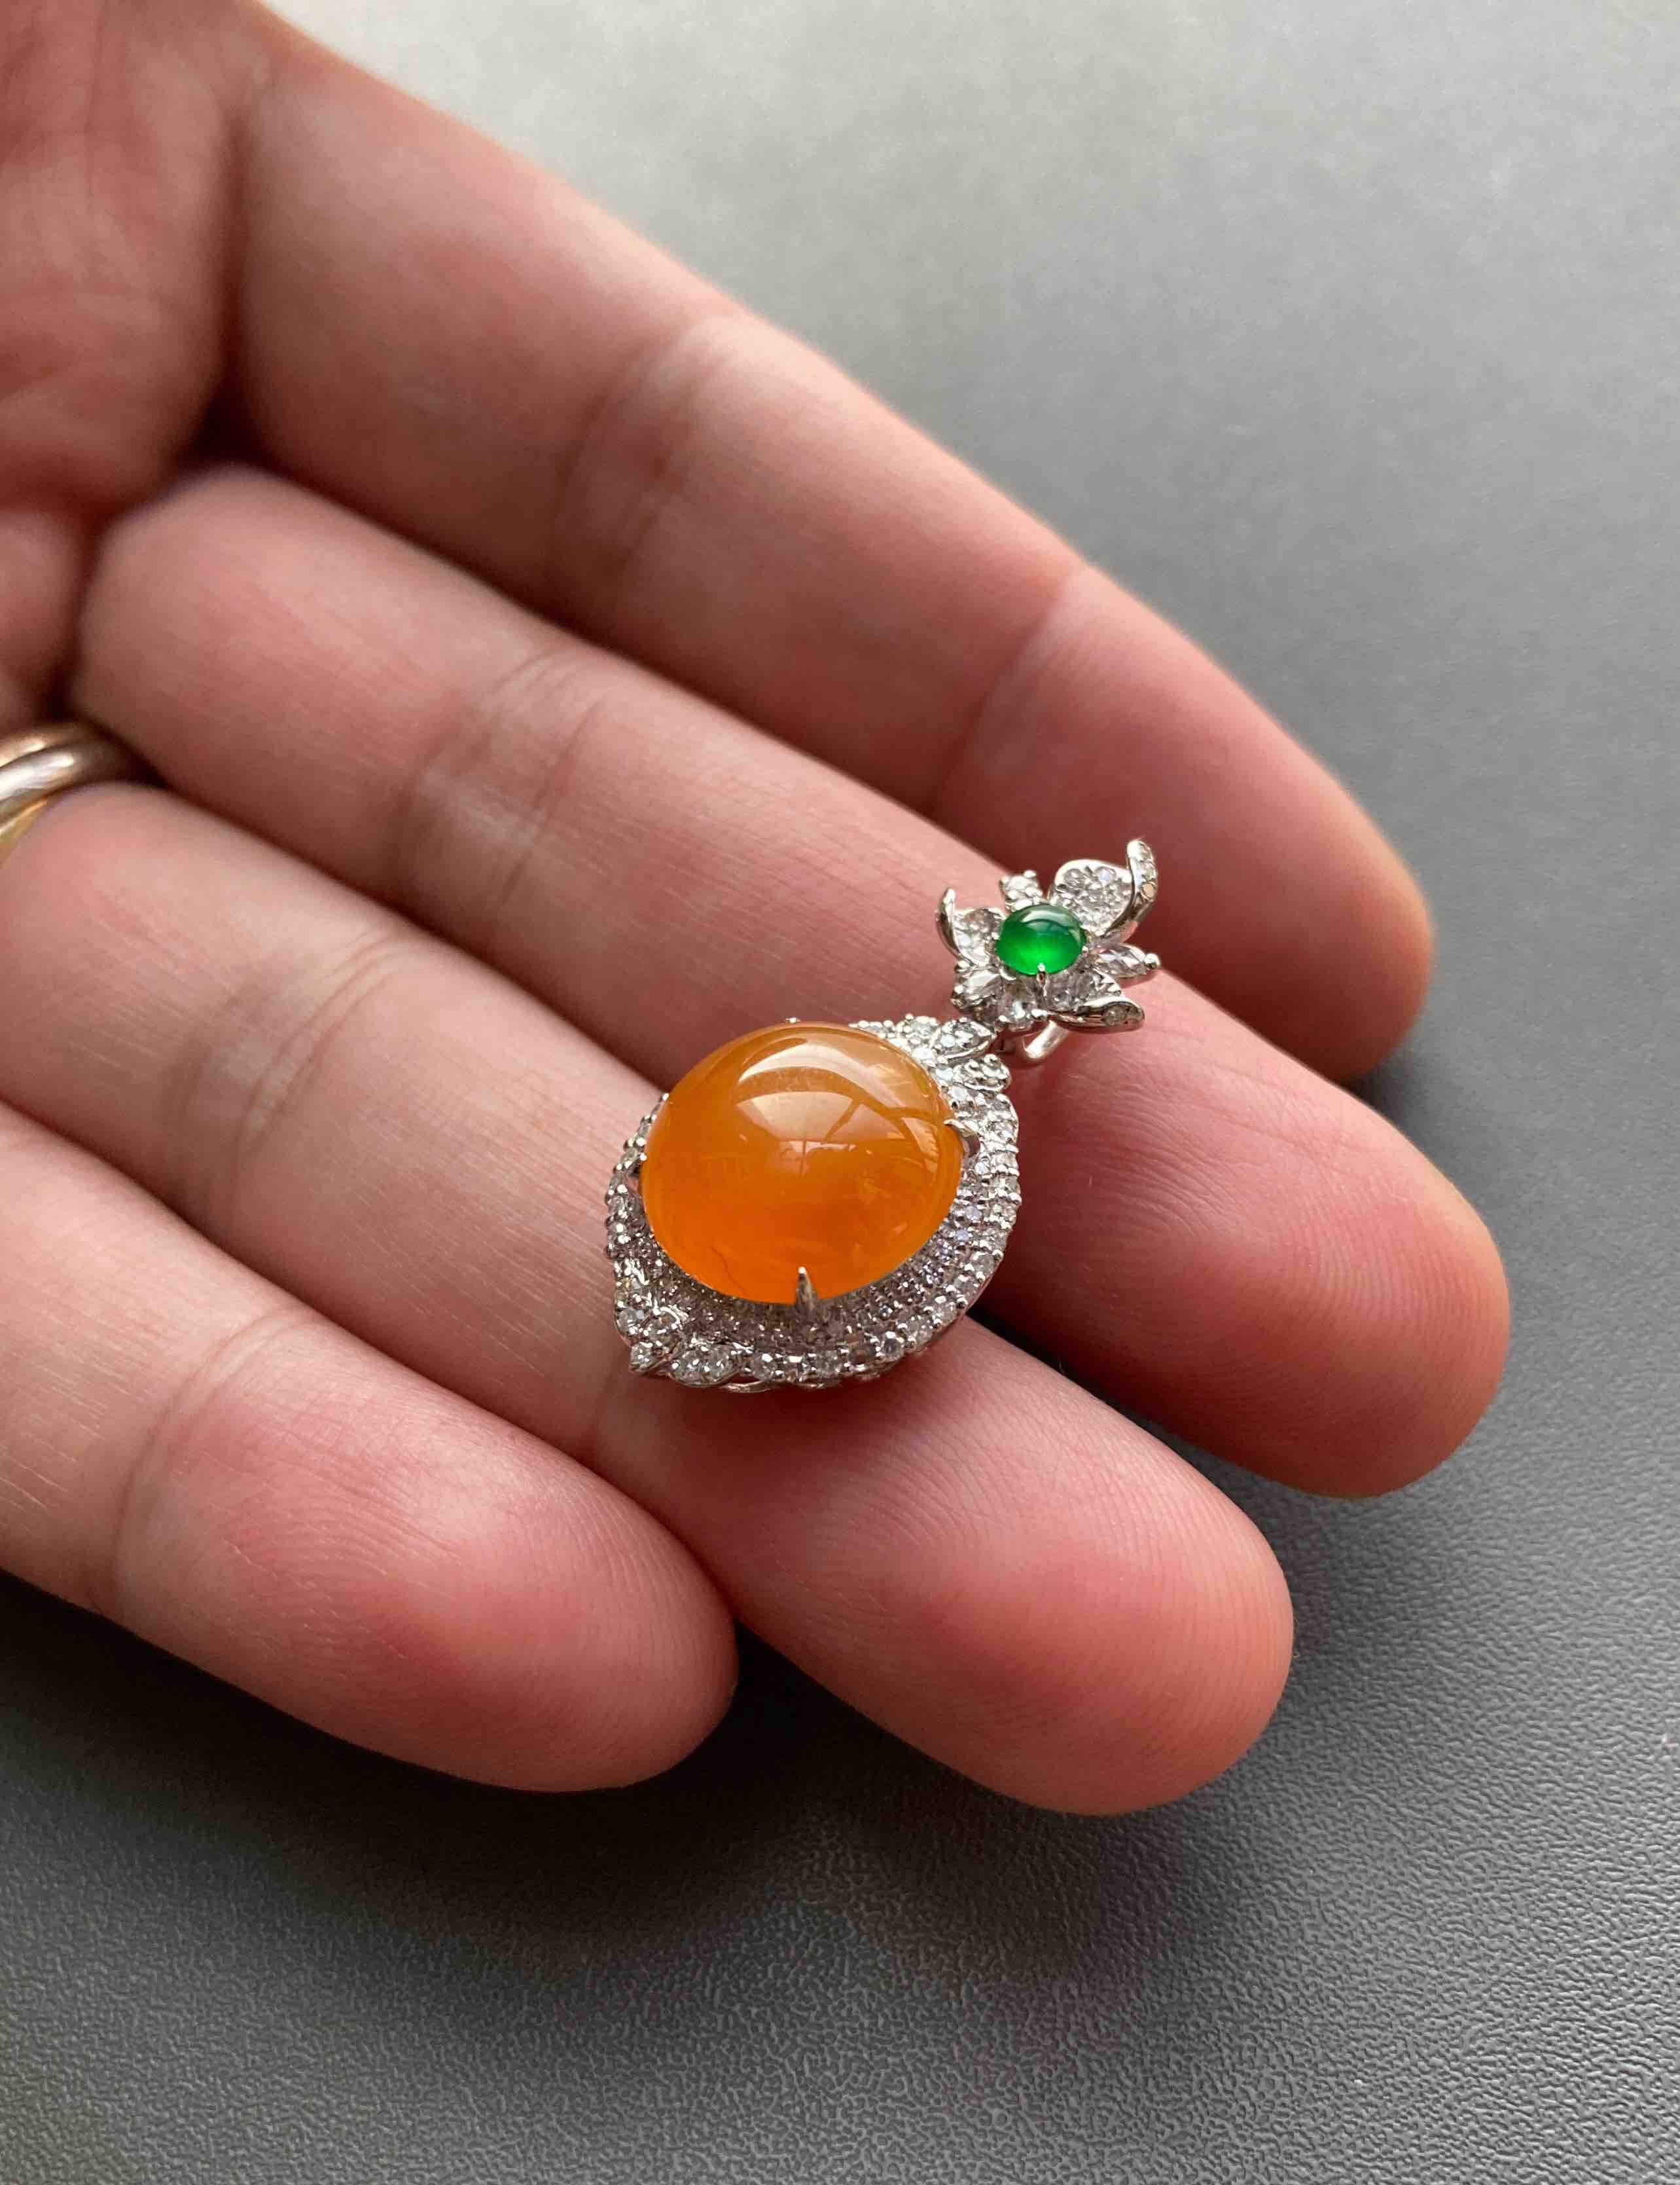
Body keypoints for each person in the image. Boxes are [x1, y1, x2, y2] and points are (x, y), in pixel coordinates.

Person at [0, 0, 1507, 1813]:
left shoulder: (935, 1093)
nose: (1047, 954)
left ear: (1056, 984)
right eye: (1046, 946)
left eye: (1056, 960)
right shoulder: (900, 1078)